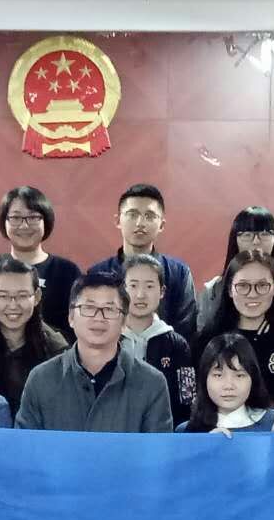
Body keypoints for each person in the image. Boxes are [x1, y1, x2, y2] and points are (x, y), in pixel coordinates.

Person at [16, 271, 172, 433]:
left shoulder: (151, 383)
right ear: (71, 317)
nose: (99, 318)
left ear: (124, 322)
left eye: (109, 309)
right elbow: (25, 446)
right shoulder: (41, 379)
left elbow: (157, 448)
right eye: (89, 307)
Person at [0, 186, 83, 338]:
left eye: (33, 218)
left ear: (46, 221)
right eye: (16, 218)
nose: (24, 226)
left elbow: (78, 325)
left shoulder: (66, 272)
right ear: (4, 221)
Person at [195, 250, 274, 408]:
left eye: (262, 285)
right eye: (243, 286)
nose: (252, 294)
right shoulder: (208, 341)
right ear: (229, 289)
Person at [89, 183, 196, 338]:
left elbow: (186, 330)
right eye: (132, 215)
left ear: (162, 225)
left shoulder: (179, 273)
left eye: (149, 216)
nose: (140, 223)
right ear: (118, 221)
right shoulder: (98, 273)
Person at [0, 256, 68, 419]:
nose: (13, 305)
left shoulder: (55, 349)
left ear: (37, 296)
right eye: (3, 296)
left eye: (22, 296)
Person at [197, 206, 274, 334]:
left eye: (264, 234)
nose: (256, 241)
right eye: (247, 234)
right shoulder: (212, 292)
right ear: (234, 240)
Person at [176, 333, 274, 435]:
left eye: (239, 375)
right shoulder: (186, 431)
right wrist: (205, 447)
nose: (229, 386)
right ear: (204, 379)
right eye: (218, 375)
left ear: (253, 379)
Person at [122, 254, 196, 426]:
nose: (140, 295)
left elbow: (189, 396)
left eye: (149, 286)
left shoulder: (178, 345)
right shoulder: (109, 339)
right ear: (122, 289)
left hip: (163, 432)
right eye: (133, 285)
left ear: (162, 291)